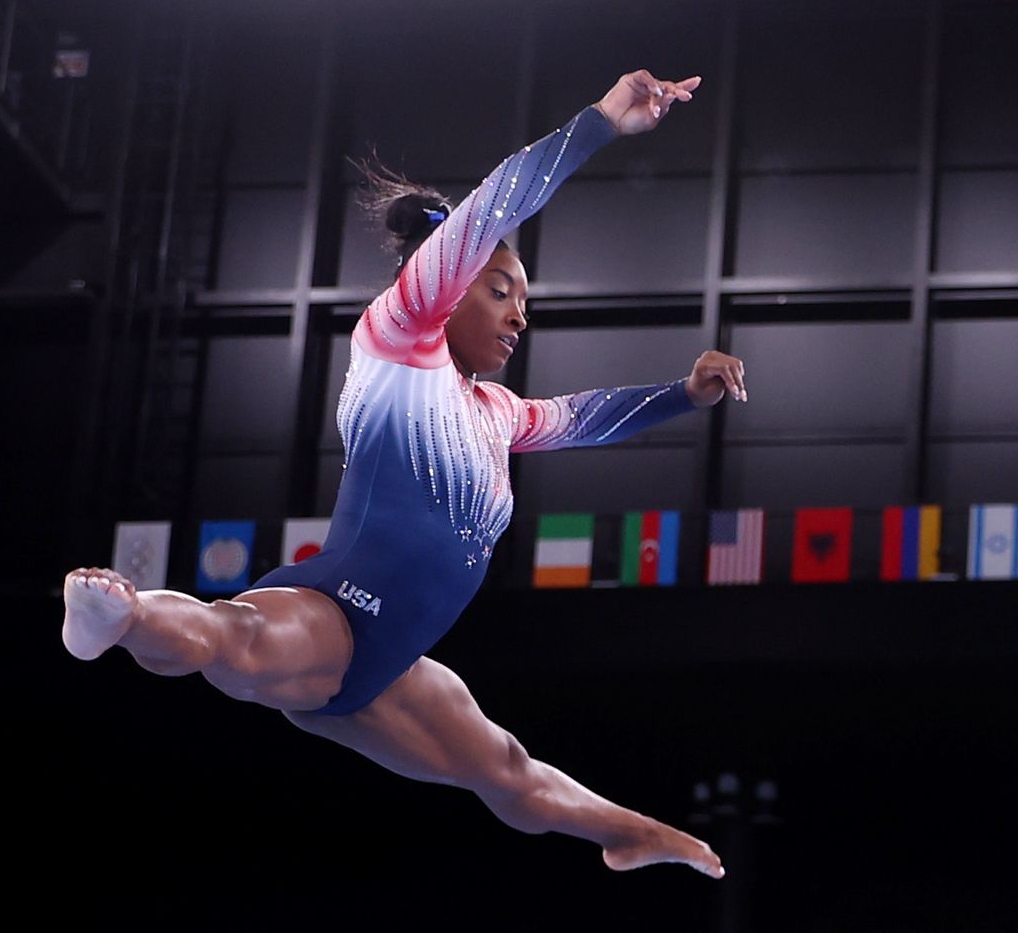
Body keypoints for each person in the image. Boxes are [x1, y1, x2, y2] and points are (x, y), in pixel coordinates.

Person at [63, 69, 745, 878]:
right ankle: (118, 616)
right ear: (448, 286)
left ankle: (633, 833)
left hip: (387, 664)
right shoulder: (401, 335)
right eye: (500, 291)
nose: (519, 314)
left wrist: (684, 395)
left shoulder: (495, 412)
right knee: (236, 642)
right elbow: (497, 204)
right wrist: (600, 122)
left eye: (523, 300)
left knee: (506, 771)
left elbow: (588, 418)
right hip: (334, 613)